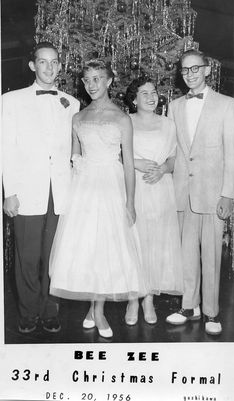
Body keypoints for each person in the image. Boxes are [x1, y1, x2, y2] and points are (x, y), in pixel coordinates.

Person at [49, 59, 147, 338]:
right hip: (85, 189)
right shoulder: (78, 118)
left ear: (109, 81)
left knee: (107, 246)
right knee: (88, 247)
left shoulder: (121, 118)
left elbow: (128, 162)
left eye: (97, 79)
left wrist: (130, 202)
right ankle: (93, 308)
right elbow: (74, 156)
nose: (91, 85)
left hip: (112, 186)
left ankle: (99, 310)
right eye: (87, 80)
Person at [2, 41, 80, 334]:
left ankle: (50, 309)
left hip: (61, 193)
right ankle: (28, 311)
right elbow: (6, 149)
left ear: (60, 65)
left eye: (55, 62)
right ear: (33, 65)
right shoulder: (10, 101)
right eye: (43, 62)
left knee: (54, 256)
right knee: (27, 255)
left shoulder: (72, 103)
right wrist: (9, 192)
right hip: (26, 191)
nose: (50, 67)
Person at [166, 49, 234, 335]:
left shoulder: (227, 105)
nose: (191, 74)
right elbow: (174, 151)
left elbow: (232, 153)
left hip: (213, 192)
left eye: (196, 68)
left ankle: (211, 312)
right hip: (183, 191)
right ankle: (189, 305)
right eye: (185, 70)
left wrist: (228, 194)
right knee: (186, 254)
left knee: (211, 255)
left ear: (207, 70)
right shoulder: (174, 106)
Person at [124, 76, 183, 326]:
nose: (151, 97)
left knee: (157, 244)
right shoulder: (125, 122)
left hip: (160, 190)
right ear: (134, 99)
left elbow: (173, 158)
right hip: (135, 189)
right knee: (135, 243)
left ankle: (148, 298)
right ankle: (132, 299)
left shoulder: (168, 124)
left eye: (153, 91)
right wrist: (135, 163)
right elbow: (115, 153)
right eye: (144, 93)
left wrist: (163, 170)